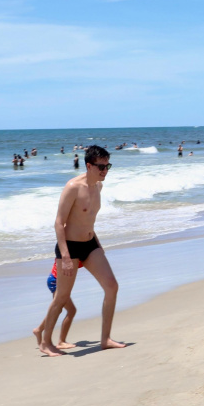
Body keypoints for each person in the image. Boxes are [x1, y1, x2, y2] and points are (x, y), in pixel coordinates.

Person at [39, 145, 124, 357]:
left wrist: (98, 244)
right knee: (61, 297)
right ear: (89, 165)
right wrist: (66, 256)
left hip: (90, 244)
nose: (105, 171)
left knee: (112, 286)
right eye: (101, 167)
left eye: (108, 166)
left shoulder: (98, 187)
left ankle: (105, 339)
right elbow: (59, 223)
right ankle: (46, 342)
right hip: (70, 246)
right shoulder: (73, 187)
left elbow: (88, 221)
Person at [33, 260, 83, 350]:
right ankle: (61, 341)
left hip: (54, 279)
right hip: (56, 281)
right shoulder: (68, 252)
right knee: (71, 311)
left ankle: (39, 330)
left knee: (58, 309)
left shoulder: (67, 251)